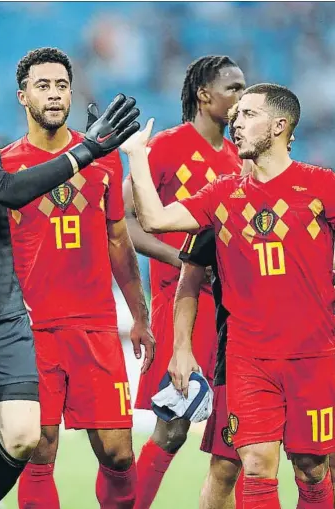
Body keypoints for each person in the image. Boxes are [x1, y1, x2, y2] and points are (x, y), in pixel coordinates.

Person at [0, 4, 140, 509]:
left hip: (3, 304)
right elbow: (6, 189)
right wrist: (87, 149)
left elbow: (118, 235)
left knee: (23, 437)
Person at [123, 83, 335, 507]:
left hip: (313, 355)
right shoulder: (222, 194)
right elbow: (155, 219)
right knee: (254, 463)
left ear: (280, 125)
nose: (236, 123)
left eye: (248, 115)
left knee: (312, 468)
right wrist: (137, 157)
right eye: (235, 115)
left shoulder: (321, 188)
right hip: (247, 357)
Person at [0, 46, 155, 509]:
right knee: (38, 449)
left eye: (61, 86)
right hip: (31, 331)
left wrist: (140, 314)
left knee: (118, 454)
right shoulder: (5, 167)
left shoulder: (103, 160)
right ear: (22, 96)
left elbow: (118, 243)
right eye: (42, 86)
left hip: (96, 326)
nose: (54, 94)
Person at [122, 55, 246, 508]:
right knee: (172, 428)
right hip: (180, 298)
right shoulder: (166, 146)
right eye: (233, 88)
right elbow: (123, 222)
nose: (240, 98)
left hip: (234, 311)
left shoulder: (239, 157)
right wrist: (184, 257)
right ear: (204, 94)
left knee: (233, 446)